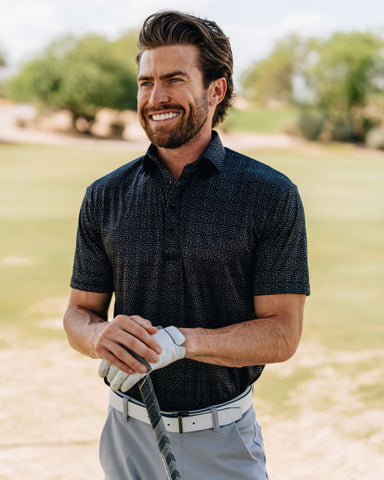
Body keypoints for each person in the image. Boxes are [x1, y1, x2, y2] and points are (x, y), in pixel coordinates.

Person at [63, 10, 310, 480]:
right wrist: (98, 337)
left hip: (223, 441)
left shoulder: (271, 195)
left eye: (174, 79)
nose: (156, 97)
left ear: (215, 90)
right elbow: (78, 313)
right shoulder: (104, 196)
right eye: (146, 82)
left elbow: (283, 334)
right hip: (126, 438)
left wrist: (183, 342)